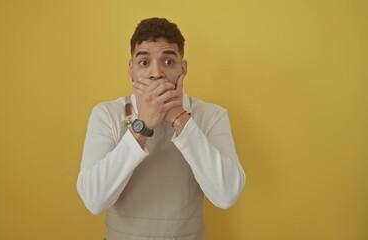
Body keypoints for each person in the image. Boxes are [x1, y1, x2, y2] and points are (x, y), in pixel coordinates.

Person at [77, 17, 246, 240]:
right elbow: (94, 200)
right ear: (131, 69)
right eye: (144, 62)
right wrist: (143, 125)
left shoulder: (212, 116)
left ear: (183, 68)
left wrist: (179, 118)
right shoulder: (106, 114)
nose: (156, 74)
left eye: (168, 62)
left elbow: (227, 195)